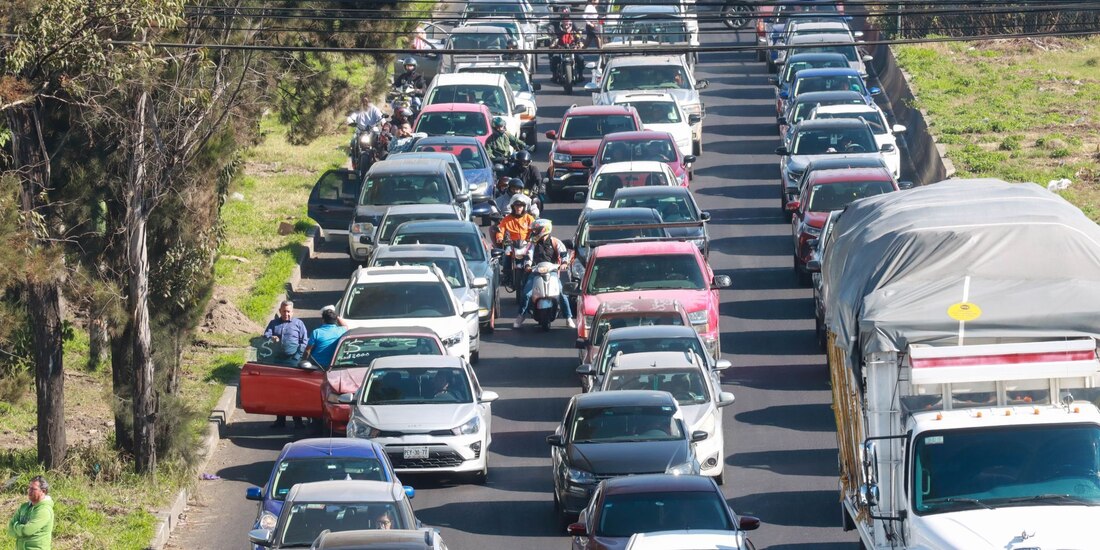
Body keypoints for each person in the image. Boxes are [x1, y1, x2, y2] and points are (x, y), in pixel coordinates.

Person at [515, 219, 575, 328]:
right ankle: (521, 315)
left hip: (552, 272)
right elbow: (528, 256)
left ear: (544, 230)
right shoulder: (533, 244)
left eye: (536, 230)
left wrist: (564, 263)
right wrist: (527, 266)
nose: (534, 232)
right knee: (526, 294)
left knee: (562, 293)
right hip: (535, 272)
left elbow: (563, 254)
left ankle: (568, 318)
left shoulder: (555, 242)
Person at [263, 300, 309, 429]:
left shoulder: (299, 324)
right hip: (277, 362)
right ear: (280, 311)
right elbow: (266, 335)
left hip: (293, 362)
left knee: (294, 392)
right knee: (278, 392)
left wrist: (297, 357)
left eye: (288, 311)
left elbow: (304, 342)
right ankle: (280, 420)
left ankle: (298, 421)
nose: (286, 314)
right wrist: (271, 338)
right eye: (284, 311)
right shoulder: (273, 323)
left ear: (292, 312)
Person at [7, 475, 54, 550]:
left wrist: (15, 526)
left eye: (33, 489)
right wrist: (19, 528)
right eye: (29, 488)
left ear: (43, 491)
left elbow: (26, 531)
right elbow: (10, 528)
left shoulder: (44, 510)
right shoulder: (23, 507)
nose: (29, 491)